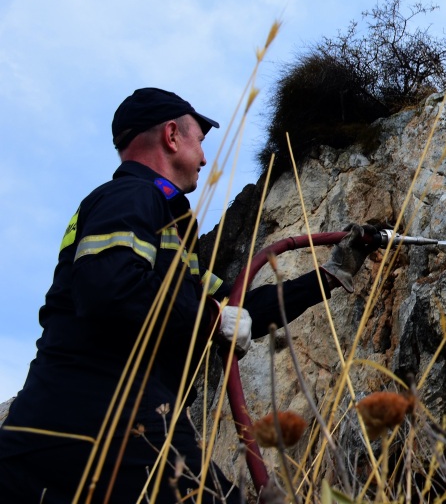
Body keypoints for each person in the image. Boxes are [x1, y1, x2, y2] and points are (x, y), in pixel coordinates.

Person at [0, 87, 376, 503]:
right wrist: (213, 318)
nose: (204, 157)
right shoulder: (133, 197)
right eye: (199, 140)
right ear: (172, 135)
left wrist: (330, 274)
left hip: (52, 426)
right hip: (107, 412)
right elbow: (109, 289)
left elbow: (240, 308)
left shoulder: (162, 224)